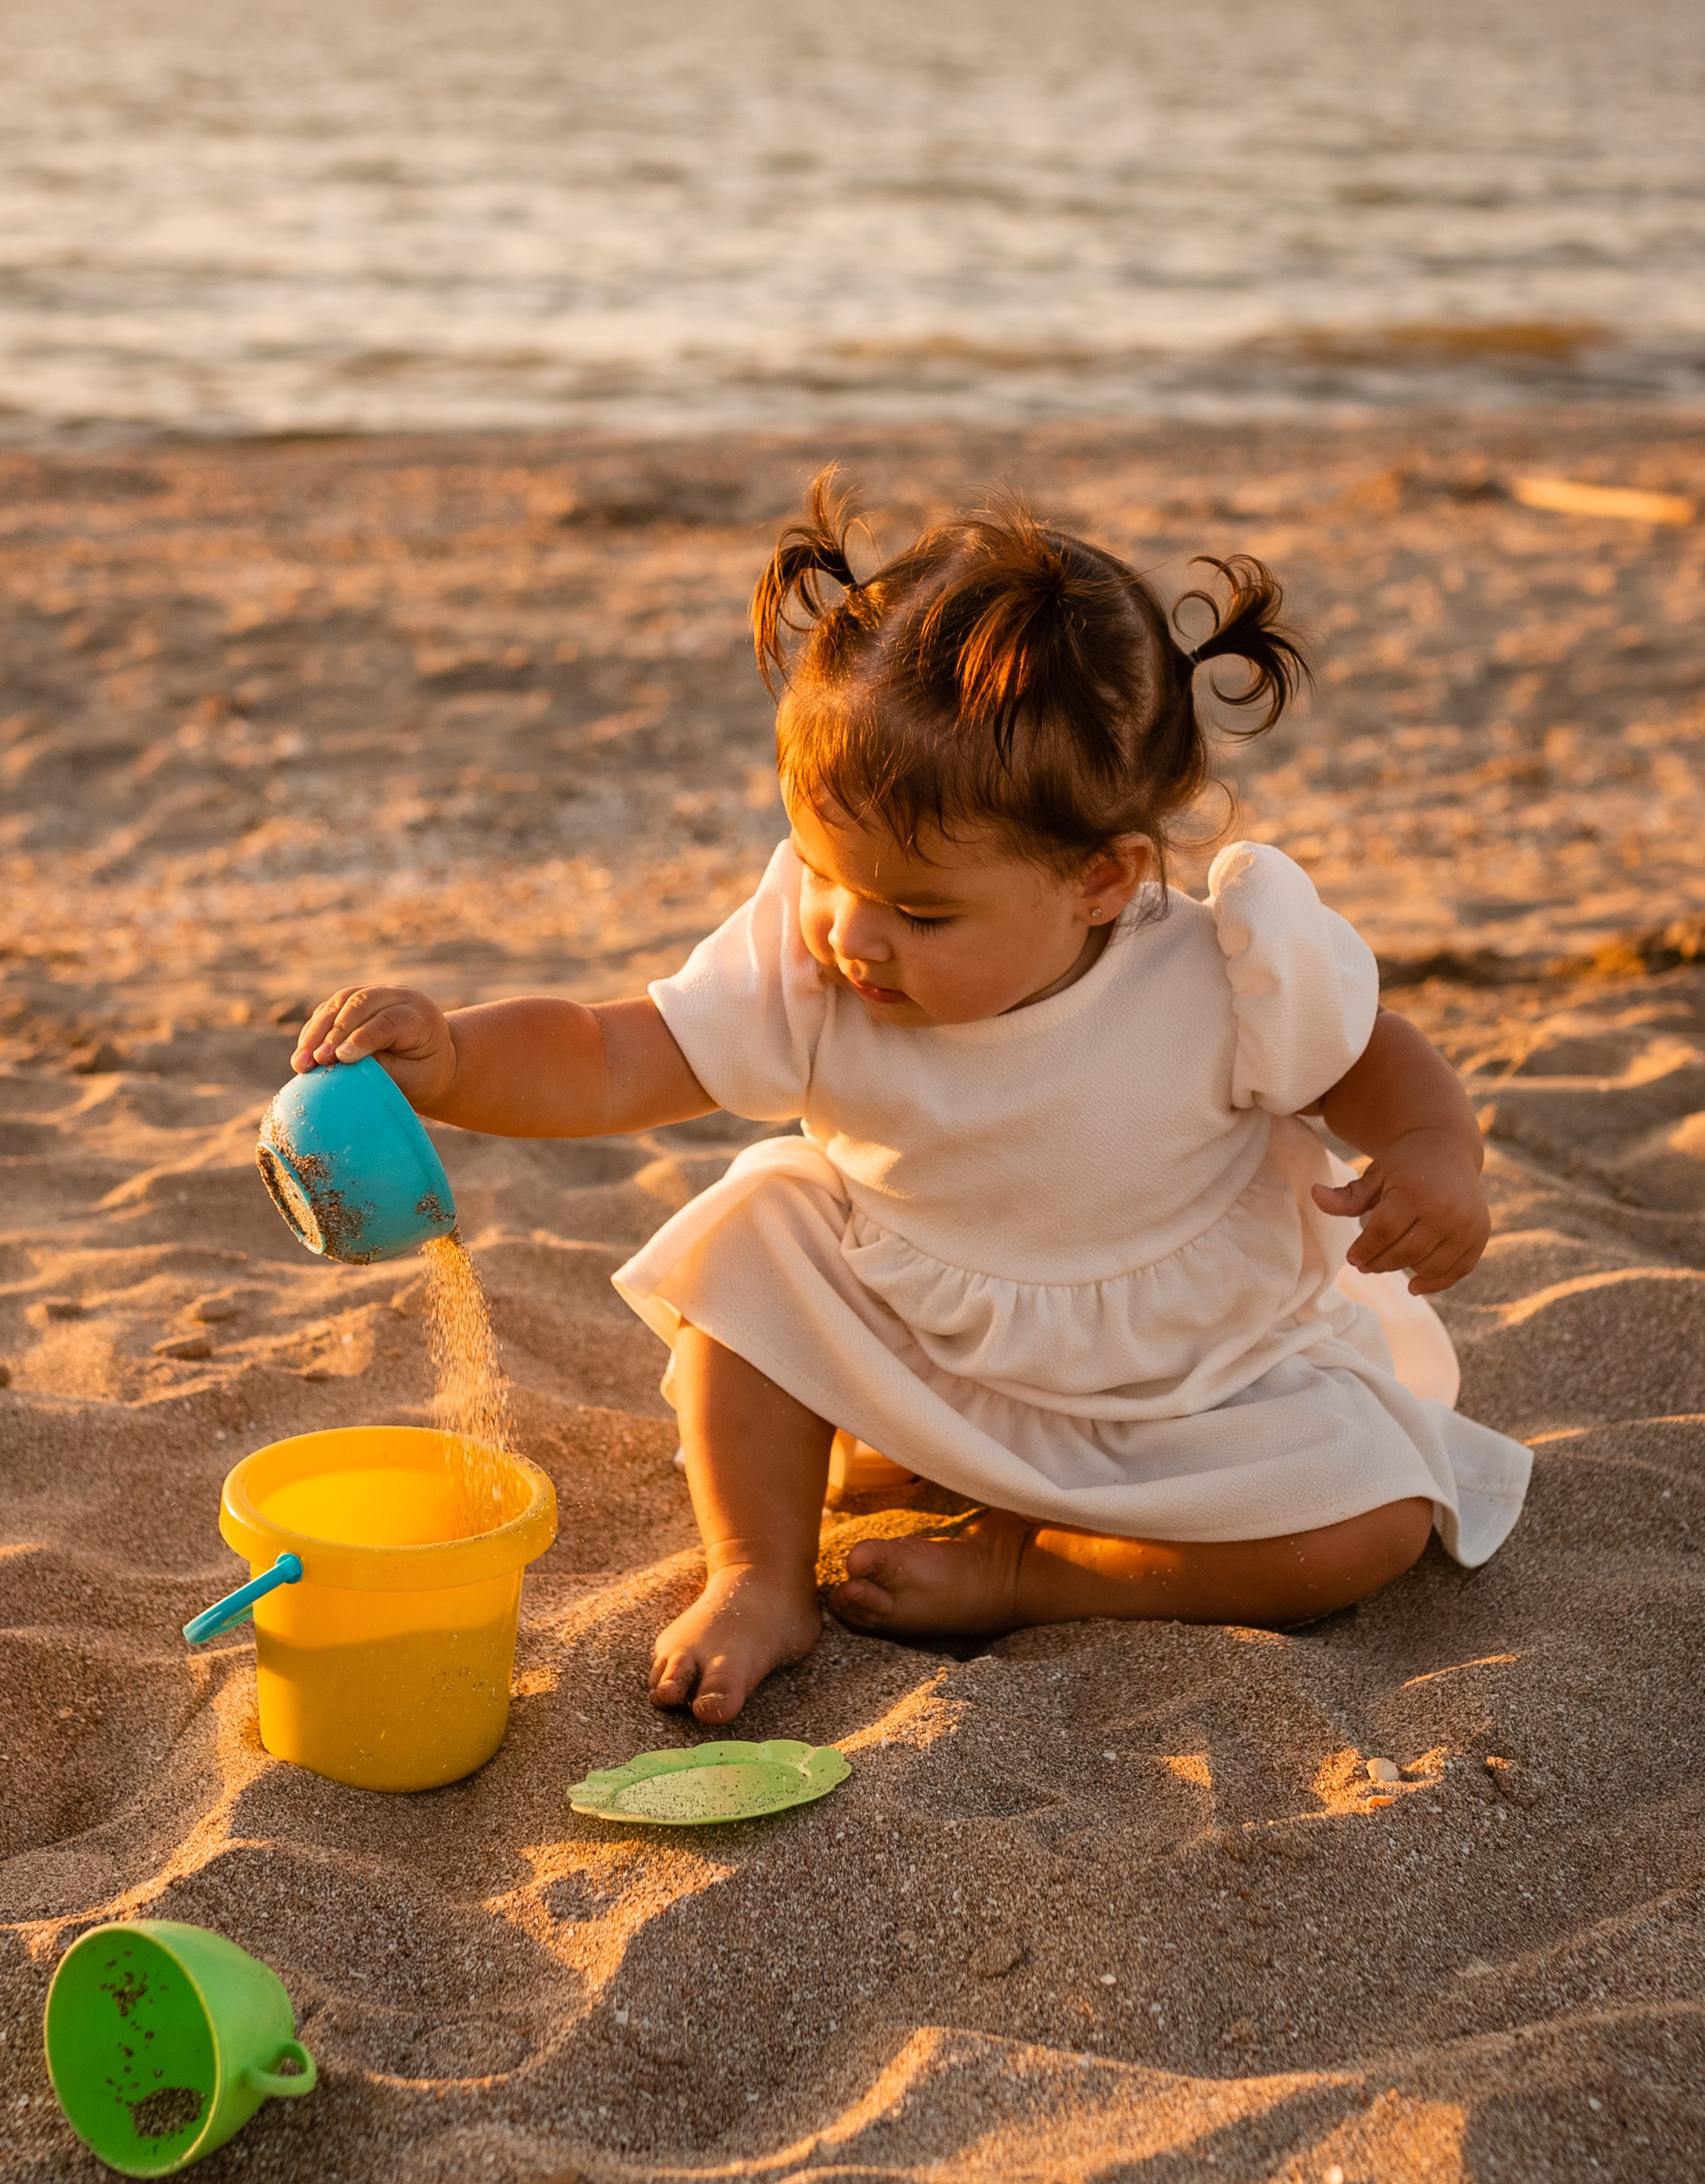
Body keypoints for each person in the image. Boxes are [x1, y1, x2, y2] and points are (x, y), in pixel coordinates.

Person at [292, 475, 1531, 1725]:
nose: (852, 937)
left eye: (920, 912)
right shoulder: (817, 956)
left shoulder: (1219, 969)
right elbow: (614, 1053)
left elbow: (1375, 1060)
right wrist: (452, 1057)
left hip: (1193, 1380)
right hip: (925, 1336)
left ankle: (1035, 1571)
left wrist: (1436, 1156)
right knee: (758, 1229)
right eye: (827, 876)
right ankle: (757, 1574)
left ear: (1101, 880)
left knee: (1368, 1520)